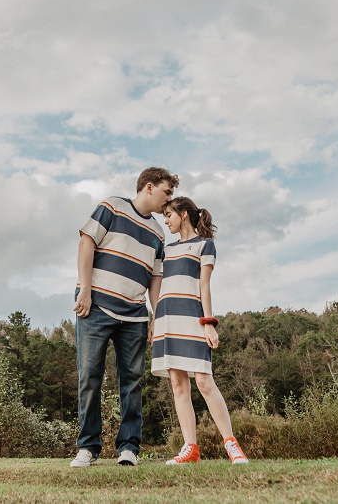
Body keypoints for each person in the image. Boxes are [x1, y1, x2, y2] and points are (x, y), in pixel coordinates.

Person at [70, 167, 179, 468]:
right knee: (89, 377)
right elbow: (86, 243)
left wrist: (156, 316)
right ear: (148, 187)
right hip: (96, 308)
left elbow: (156, 278)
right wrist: (85, 289)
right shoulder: (112, 207)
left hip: (134, 316)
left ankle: (128, 447)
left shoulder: (158, 233)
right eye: (167, 192)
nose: (169, 199)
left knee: (132, 381)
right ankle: (88, 448)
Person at [151, 196, 249, 465]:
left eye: (169, 215)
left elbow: (204, 286)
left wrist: (209, 324)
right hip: (167, 321)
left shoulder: (205, 245)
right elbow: (158, 287)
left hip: (193, 319)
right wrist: (154, 322)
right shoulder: (166, 249)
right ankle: (190, 449)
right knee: (177, 385)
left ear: (183, 214)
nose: (166, 221)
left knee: (205, 382)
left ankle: (232, 445)